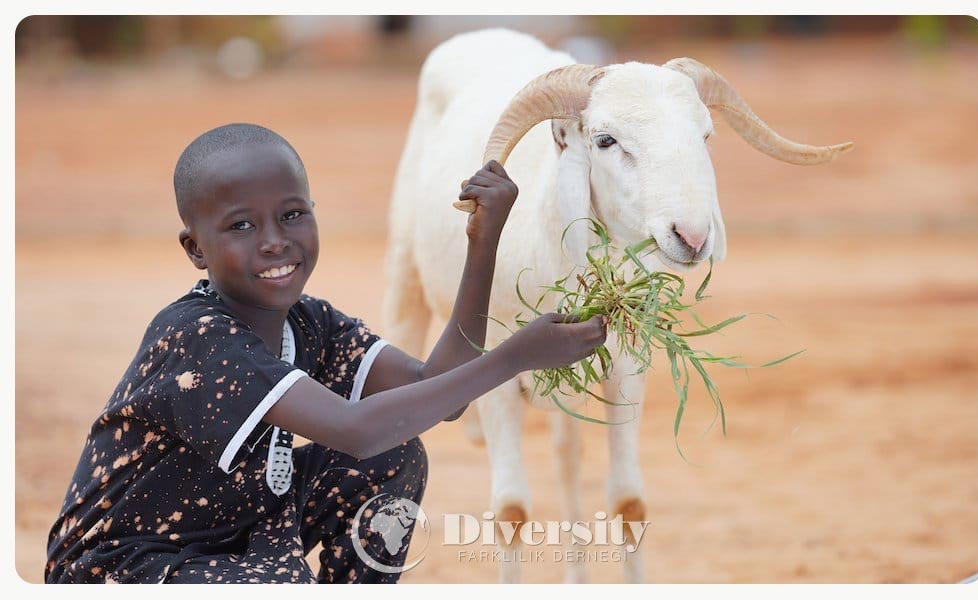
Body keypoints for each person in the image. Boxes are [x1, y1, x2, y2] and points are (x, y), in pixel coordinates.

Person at [44, 123, 607, 584]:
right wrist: (515, 356)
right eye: (241, 225)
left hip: (239, 535)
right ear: (196, 249)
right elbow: (355, 428)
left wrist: (484, 239)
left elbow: (438, 389)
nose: (274, 240)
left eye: (292, 215)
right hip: (120, 567)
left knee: (395, 457)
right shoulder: (198, 338)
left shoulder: (309, 322)